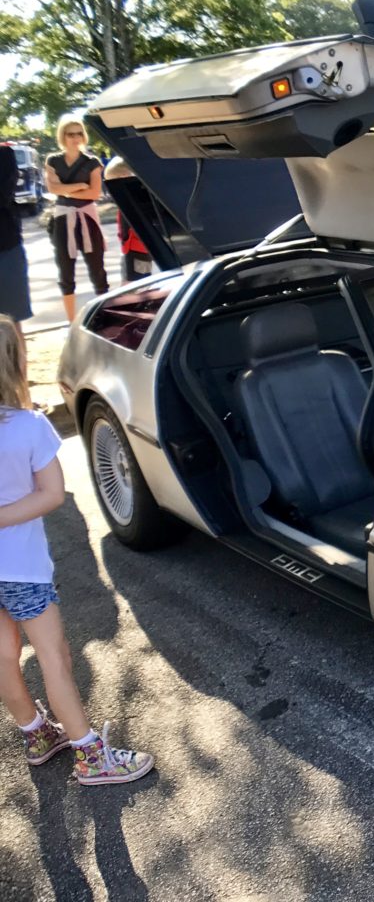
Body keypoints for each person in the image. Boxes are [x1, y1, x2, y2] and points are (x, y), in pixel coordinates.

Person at [0, 316, 154, 784]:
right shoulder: (28, 427)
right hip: (20, 569)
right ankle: (91, 756)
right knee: (53, 655)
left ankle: (36, 733)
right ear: (16, 363)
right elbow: (51, 494)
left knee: (4, 655)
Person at [44, 115, 108, 321]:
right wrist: (79, 187)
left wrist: (66, 191)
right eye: (70, 134)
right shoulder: (53, 160)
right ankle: (71, 322)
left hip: (87, 219)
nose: (75, 138)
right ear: (63, 136)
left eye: (79, 133)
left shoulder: (92, 162)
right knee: (65, 271)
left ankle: (105, 316)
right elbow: (52, 187)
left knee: (97, 269)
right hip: (63, 220)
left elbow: (94, 193)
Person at [0, 146, 32, 377]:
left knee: (11, 323)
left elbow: (2, 194)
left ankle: (21, 395)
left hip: (5, 249)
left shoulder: (4, 155)